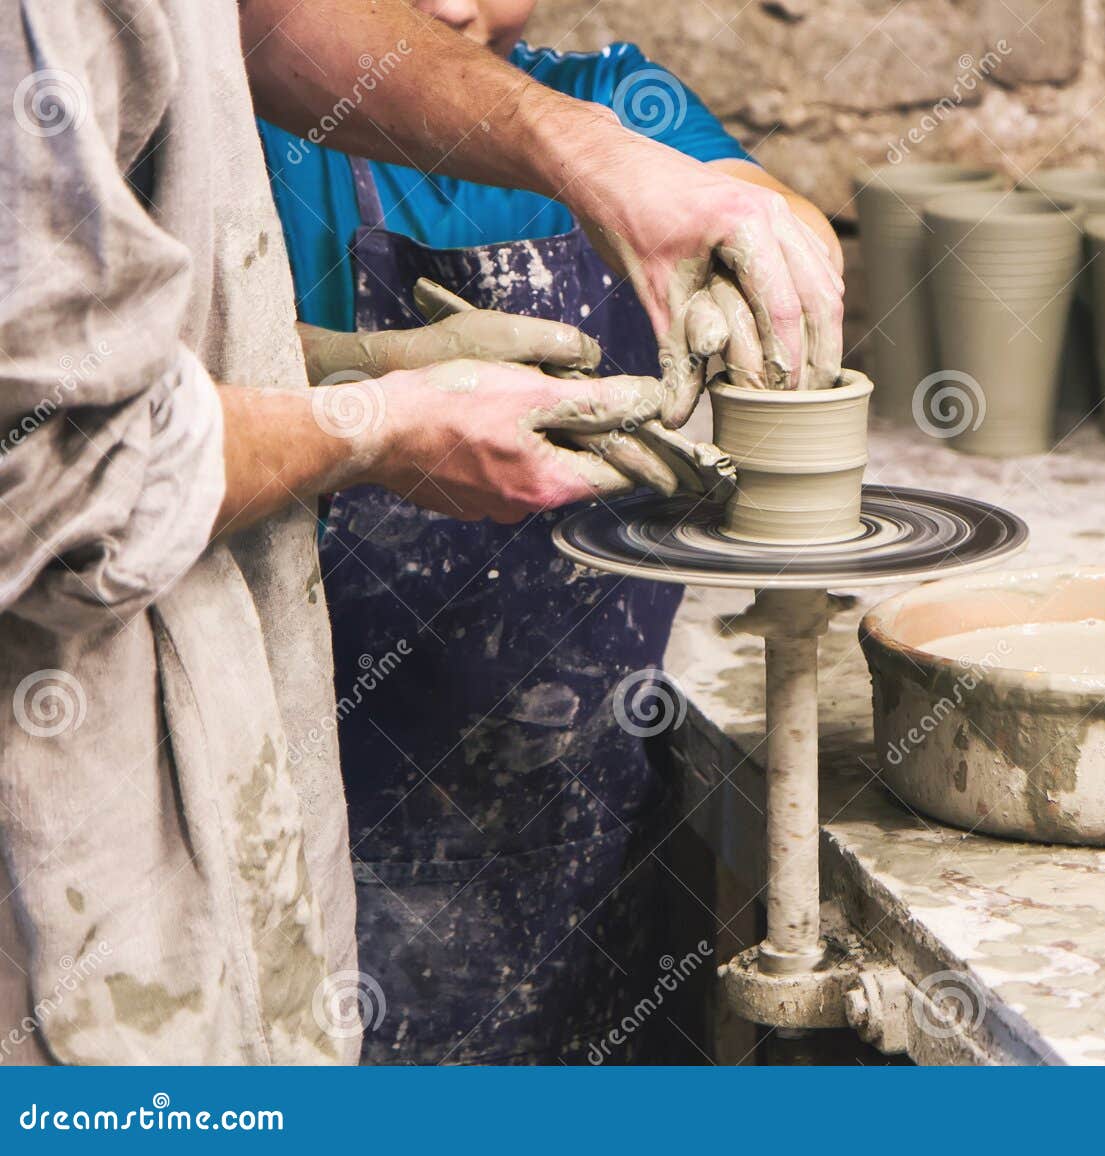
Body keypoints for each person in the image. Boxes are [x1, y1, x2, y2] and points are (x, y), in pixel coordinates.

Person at [0, 0, 841, 1066]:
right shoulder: (246, 134)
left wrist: (649, 182)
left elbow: (257, 23)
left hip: (559, 797)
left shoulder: (608, 99)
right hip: (193, 796)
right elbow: (55, 454)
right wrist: (375, 422)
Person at [256, 0, 843, 1065]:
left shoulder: (612, 103)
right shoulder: (276, 113)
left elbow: (768, 213)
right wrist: (356, 377)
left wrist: (757, 256)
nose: (451, 7)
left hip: (590, 778)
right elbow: (141, 397)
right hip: (336, 770)